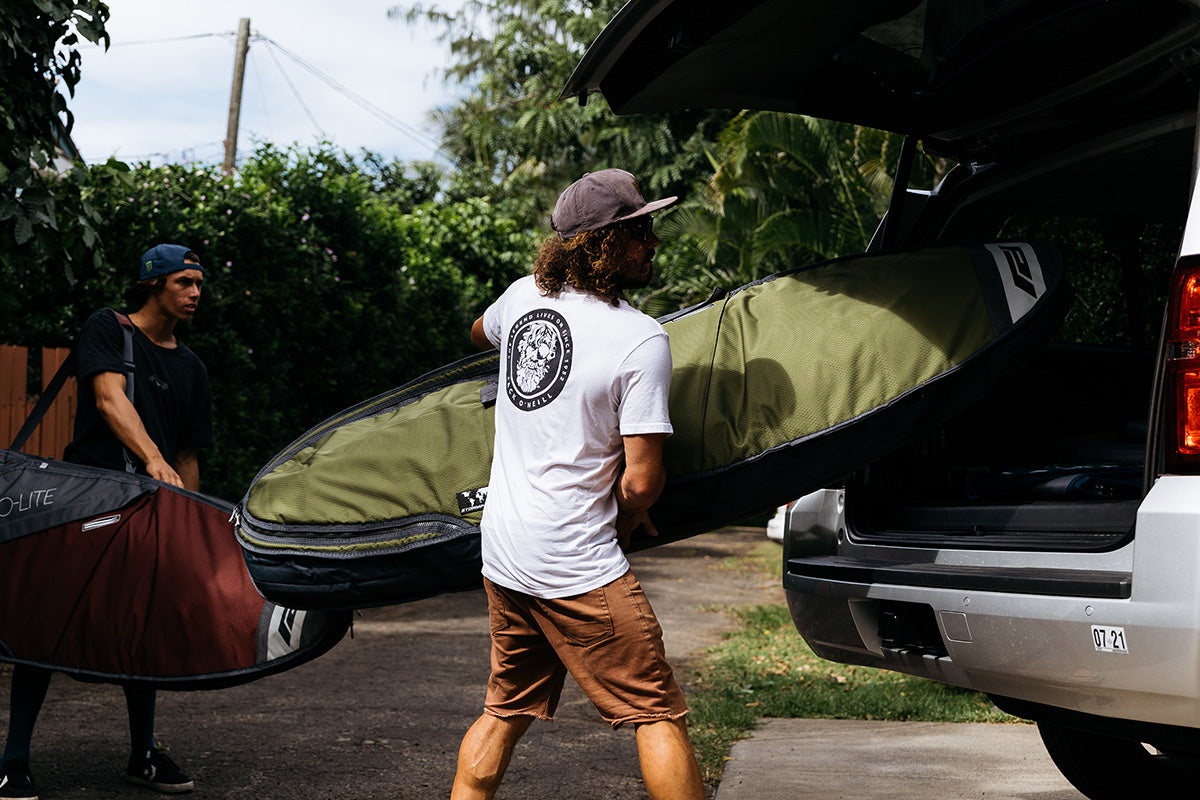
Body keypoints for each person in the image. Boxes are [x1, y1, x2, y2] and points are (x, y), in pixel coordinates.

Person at [452, 169, 705, 800]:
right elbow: (643, 483)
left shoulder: (518, 299)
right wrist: (622, 520)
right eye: (638, 230)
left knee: (505, 708)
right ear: (600, 243)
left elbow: (478, 332)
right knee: (655, 712)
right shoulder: (639, 338)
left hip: (504, 551)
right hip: (574, 562)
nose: (652, 242)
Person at [0, 244, 213, 799]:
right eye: (184, 282)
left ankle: (142, 755)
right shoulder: (109, 329)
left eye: (199, 284)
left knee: (142, 631)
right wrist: (152, 459)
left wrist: (191, 522)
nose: (195, 292)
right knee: (43, 626)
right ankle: (14, 761)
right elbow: (108, 396)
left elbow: (189, 455)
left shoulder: (191, 366)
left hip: (152, 514)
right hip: (85, 505)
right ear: (153, 283)